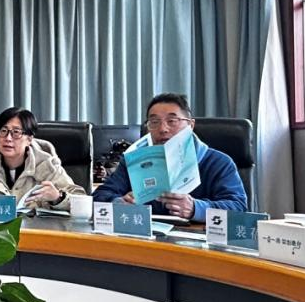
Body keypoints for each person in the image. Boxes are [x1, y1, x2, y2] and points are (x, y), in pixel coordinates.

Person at [92, 92, 247, 222]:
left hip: (197, 241)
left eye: (172, 121)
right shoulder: (134, 161)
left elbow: (238, 207)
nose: (163, 129)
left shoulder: (218, 162)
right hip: (144, 238)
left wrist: (195, 208)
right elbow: (99, 196)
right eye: (154, 122)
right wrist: (119, 203)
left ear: (191, 125)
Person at [0, 107, 86, 209]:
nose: (8, 138)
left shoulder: (46, 166)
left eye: (16, 132)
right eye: (3, 131)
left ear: (29, 139)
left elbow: (81, 200)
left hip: (37, 231)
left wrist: (57, 198)